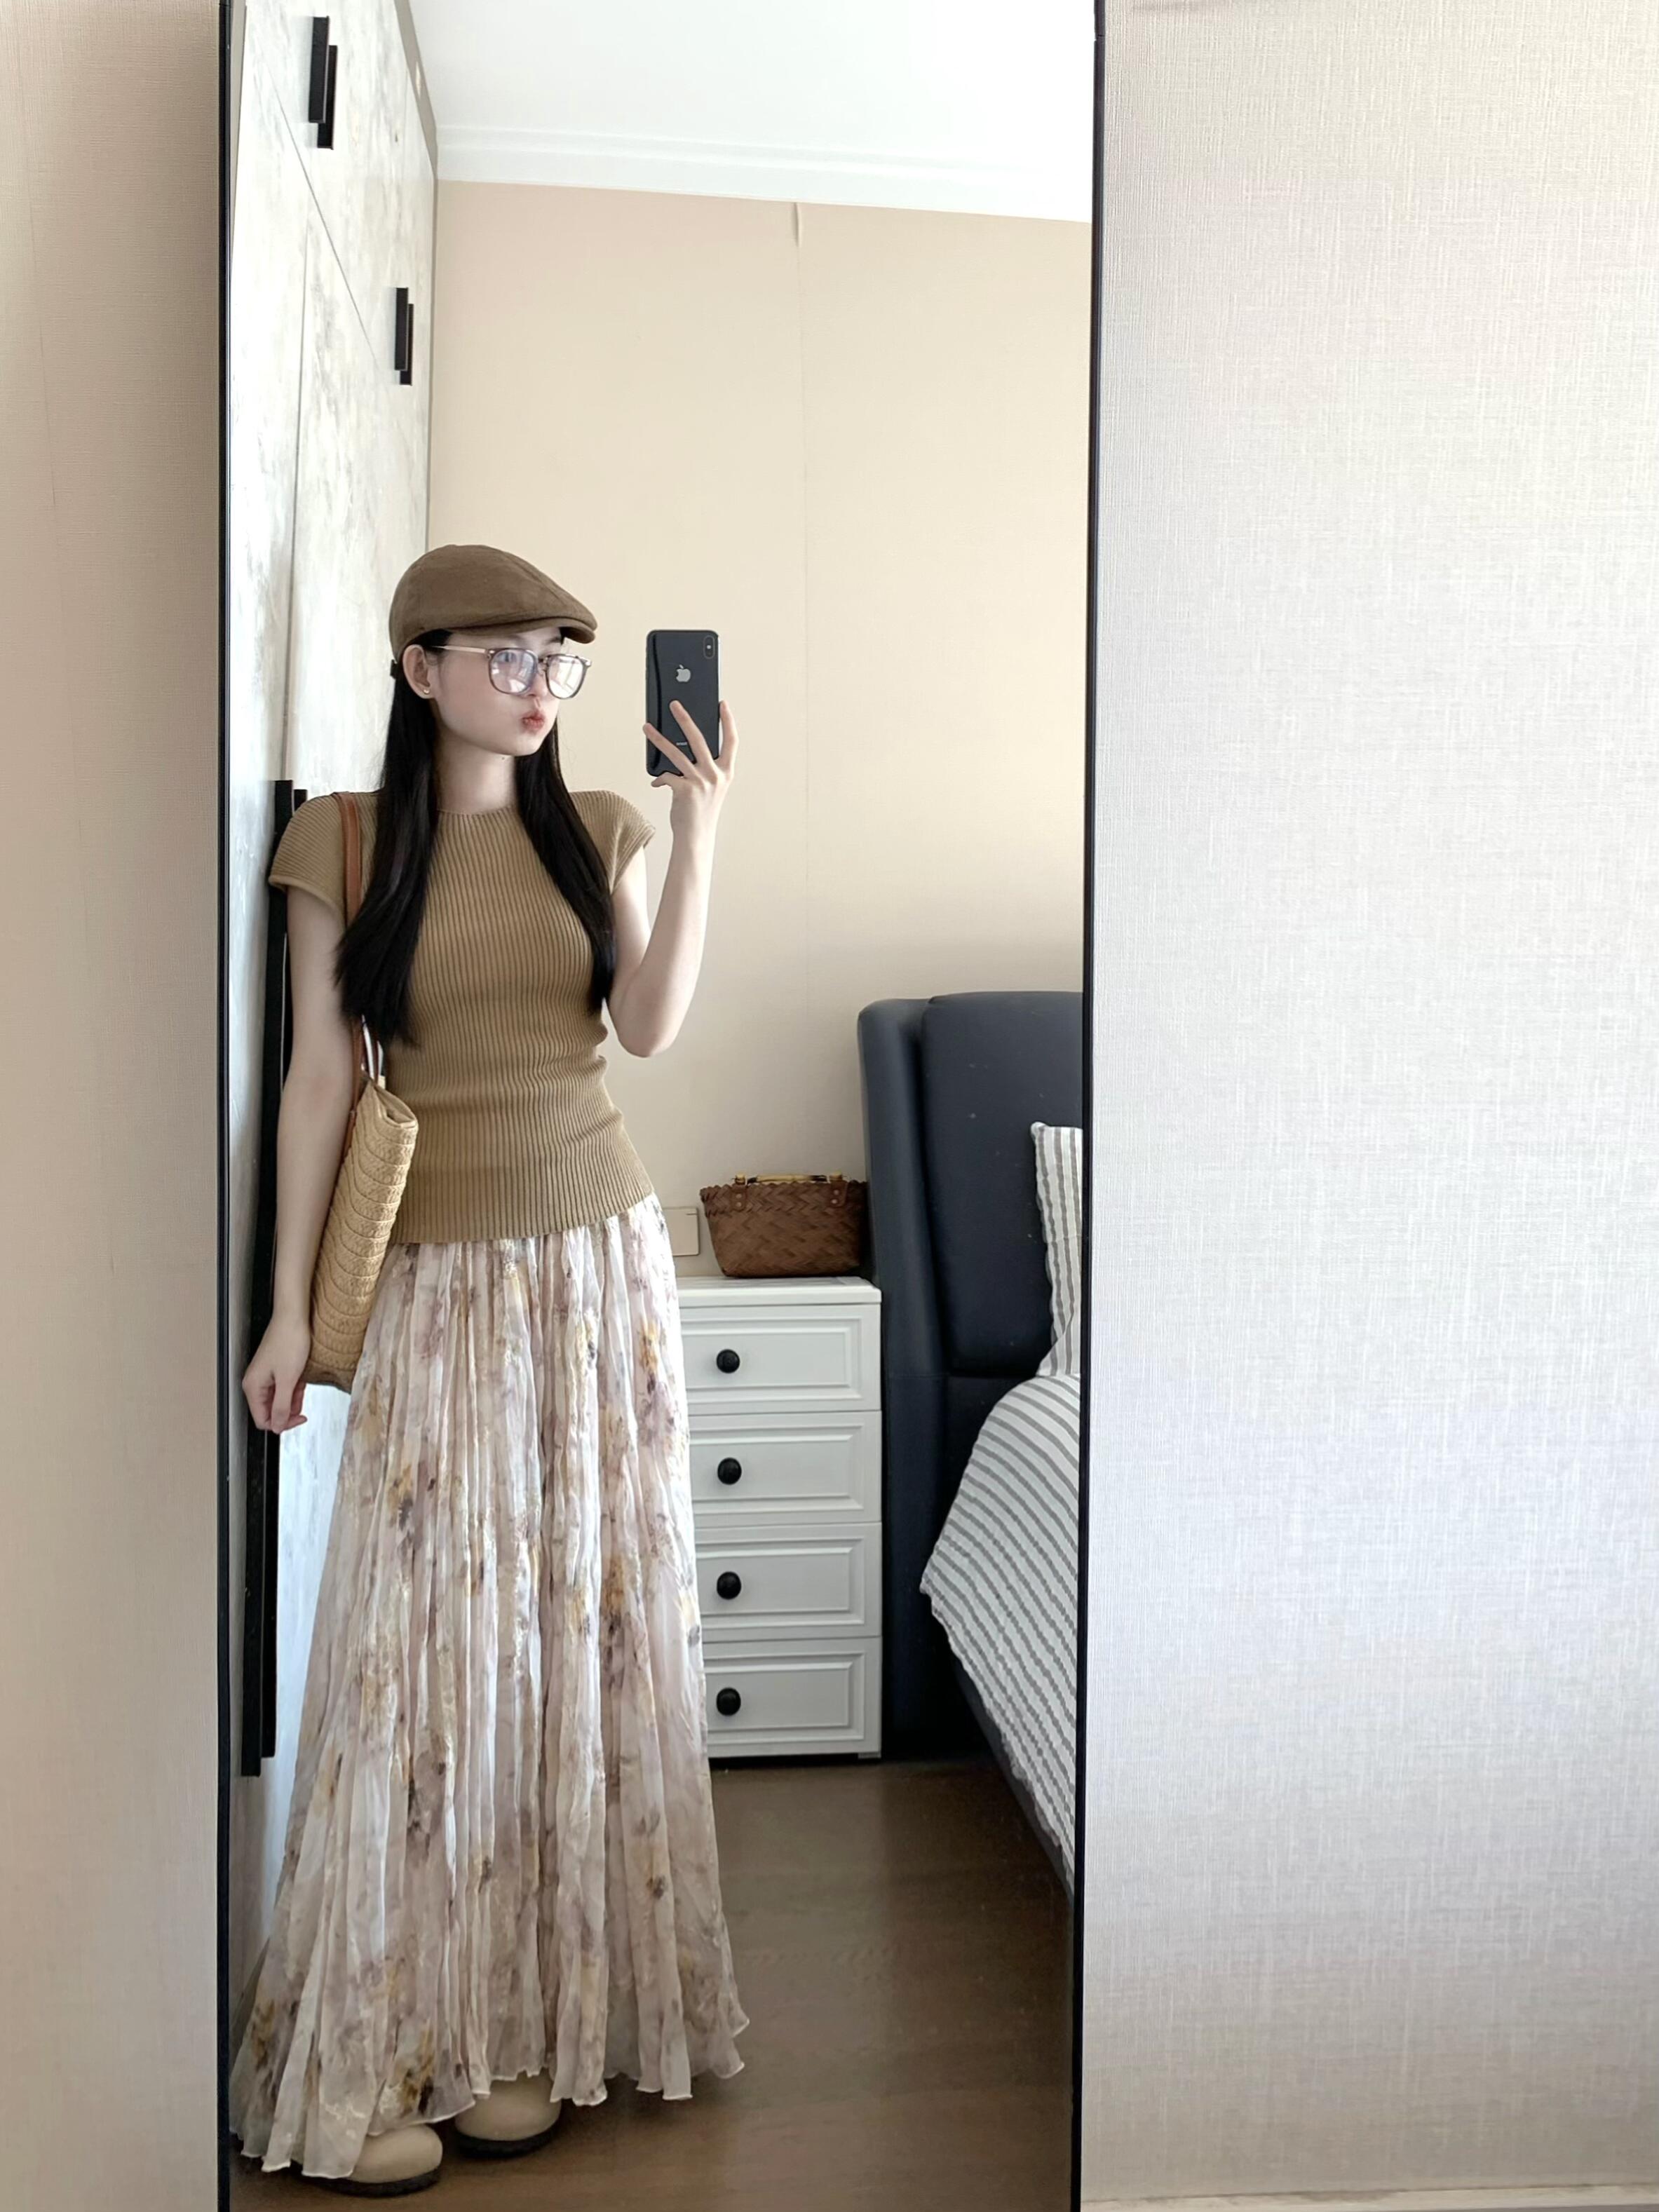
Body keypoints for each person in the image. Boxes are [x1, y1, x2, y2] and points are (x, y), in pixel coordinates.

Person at [229, 543, 747, 2194]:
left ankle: (523, 2028)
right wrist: (286, 1312)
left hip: (599, 1265)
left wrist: (701, 828)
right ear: (420, 666)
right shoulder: (342, 843)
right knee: (423, 1657)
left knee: (568, 1647)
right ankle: (390, 2038)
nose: (537, 688)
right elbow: (318, 1084)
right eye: (507, 656)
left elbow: (646, 1028)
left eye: (559, 662)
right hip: (435, 1280)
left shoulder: (596, 829)